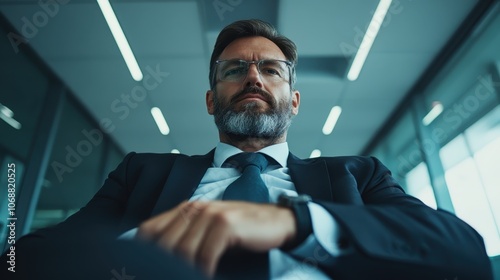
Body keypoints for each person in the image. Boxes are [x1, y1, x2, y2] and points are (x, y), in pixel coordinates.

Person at [1, 19, 493, 280]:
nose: (253, 76)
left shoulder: (357, 174)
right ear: (211, 99)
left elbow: (463, 251)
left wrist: (296, 221)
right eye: (234, 69)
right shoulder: (141, 173)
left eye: (270, 70)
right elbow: (23, 259)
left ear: (294, 102)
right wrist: (137, 249)